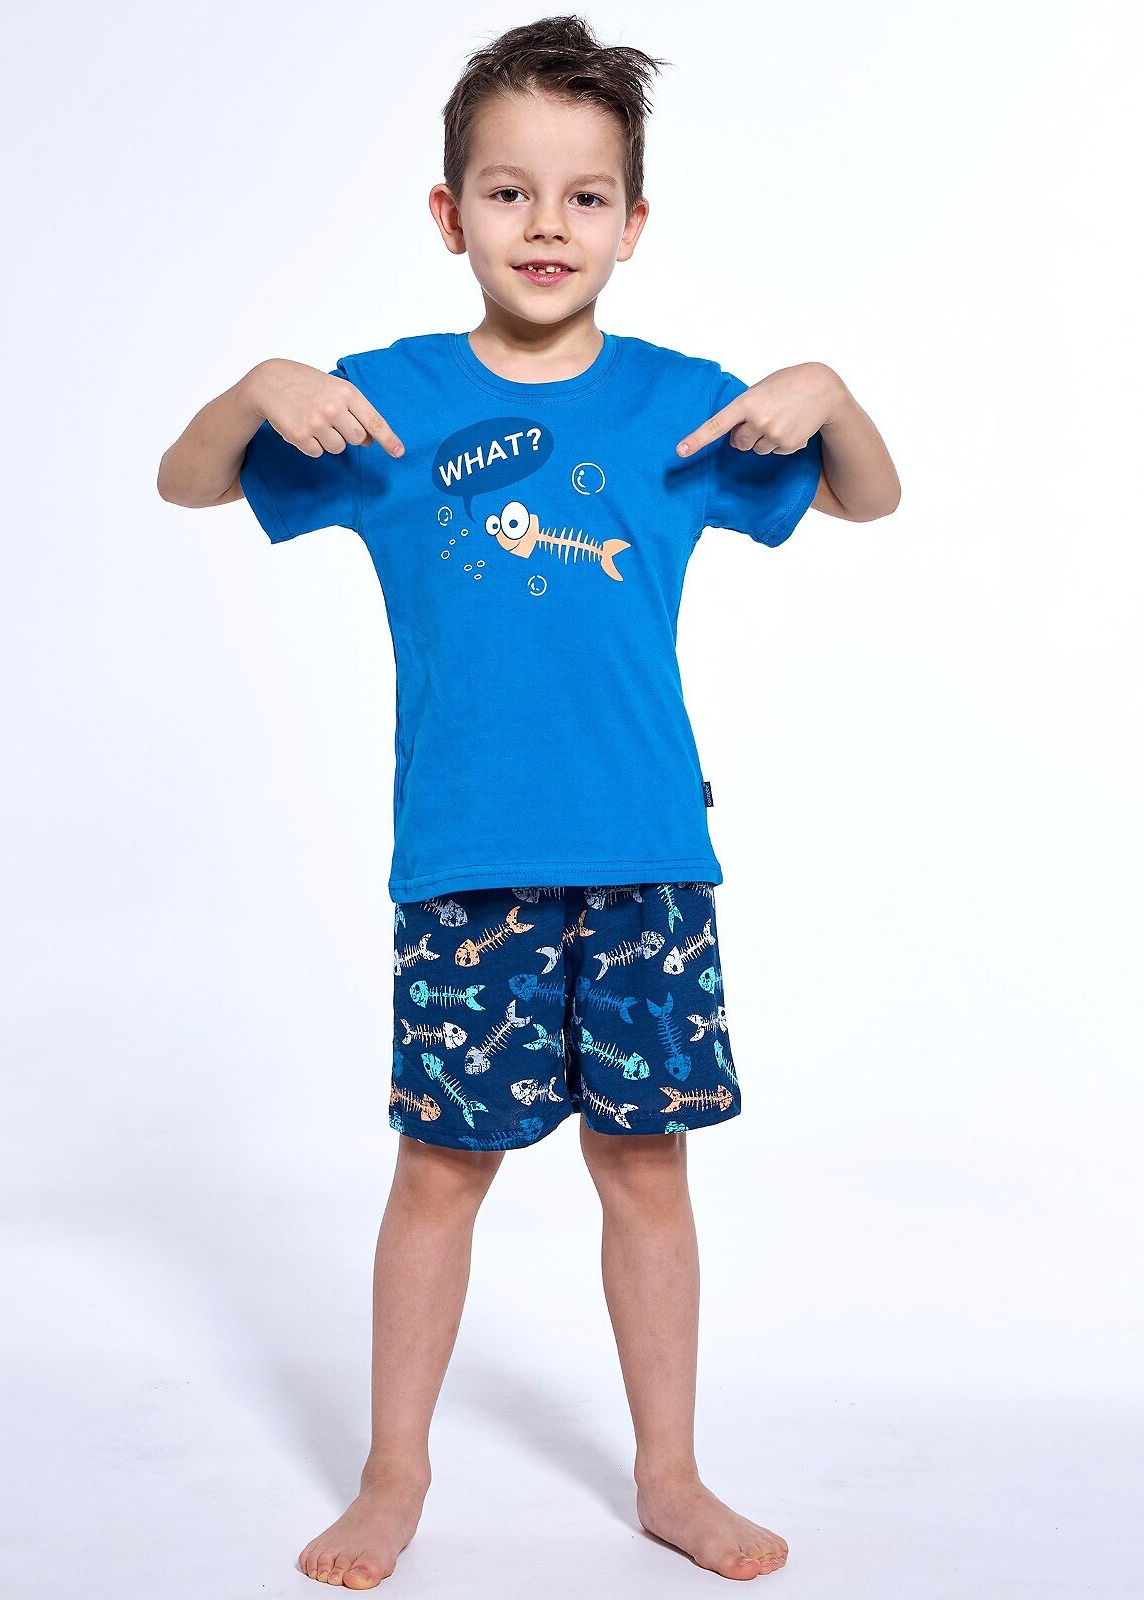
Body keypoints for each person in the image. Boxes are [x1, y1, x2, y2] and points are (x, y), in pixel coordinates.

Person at [157, 13, 900, 1588]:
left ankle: (669, 1475)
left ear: (633, 222)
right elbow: (191, 480)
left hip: (645, 857)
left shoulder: (678, 406)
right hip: (465, 862)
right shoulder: (386, 404)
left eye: (583, 196)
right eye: (508, 192)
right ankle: (393, 1471)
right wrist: (255, 384)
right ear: (450, 215)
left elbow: (865, 495)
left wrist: (829, 390)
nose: (546, 225)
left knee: (646, 1169)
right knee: (441, 1171)